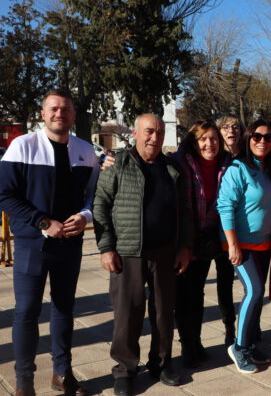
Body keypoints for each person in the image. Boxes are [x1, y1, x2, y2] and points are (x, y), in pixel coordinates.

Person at [0, 89, 98, 396]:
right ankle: (24, 381)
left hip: (70, 244)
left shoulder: (86, 151)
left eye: (66, 109)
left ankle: (62, 373)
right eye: (53, 108)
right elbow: (5, 194)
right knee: (27, 312)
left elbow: (95, 196)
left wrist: (86, 216)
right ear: (43, 114)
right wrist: (43, 222)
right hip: (33, 244)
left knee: (64, 309)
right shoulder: (23, 146)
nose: (60, 114)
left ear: (73, 115)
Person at [93, 114, 192, 396]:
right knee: (128, 313)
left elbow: (184, 211)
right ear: (135, 133)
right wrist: (106, 247)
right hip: (128, 253)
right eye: (149, 131)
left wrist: (184, 247)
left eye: (160, 132)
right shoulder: (117, 166)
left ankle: (161, 363)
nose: (155, 137)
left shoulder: (172, 169)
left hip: (165, 253)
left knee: (163, 313)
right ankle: (125, 369)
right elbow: (100, 206)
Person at [171, 120, 236, 368]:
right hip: (187, 238)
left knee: (207, 291)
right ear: (195, 142)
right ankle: (189, 343)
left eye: (214, 139)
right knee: (187, 295)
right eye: (204, 139)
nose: (210, 144)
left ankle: (203, 340)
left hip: (213, 237)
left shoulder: (226, 164)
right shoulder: (181, 163)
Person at [217, 119, 271, 373]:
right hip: (239, 243)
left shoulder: (265, 168)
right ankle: (239, 347)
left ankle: (251, 343)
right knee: (253, 291)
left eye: (267, 137)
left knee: (257, 293)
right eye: (256, 136)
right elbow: (224, 206)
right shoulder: (237, 168)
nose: (262, 141)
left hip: (262, 243)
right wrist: (232, 244)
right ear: (247, 138)